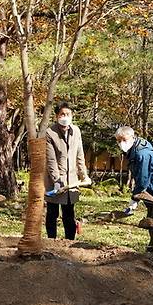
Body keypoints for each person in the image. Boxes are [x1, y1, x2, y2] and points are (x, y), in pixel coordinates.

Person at [115, 126, 153, 261]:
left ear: (132, 137)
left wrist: (134, 199)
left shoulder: (143, 154)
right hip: (151, 190)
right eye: (118, 141)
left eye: (123, 139)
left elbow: (143, 179)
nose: (121, 143)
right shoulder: (133, 152)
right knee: (150, 220)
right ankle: (152, 250)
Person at [45, 102, 90, 240]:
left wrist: (84, 176)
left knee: (69, 213)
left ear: (72, 116)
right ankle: (51, 240)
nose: (65, 117)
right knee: (52, 213)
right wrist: (57, 181)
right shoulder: (50, 133)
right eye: (62, 114)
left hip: (71, 181)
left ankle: (69, 242)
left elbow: (79, 155)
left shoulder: (76, 131)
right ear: (56, 116)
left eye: (68, 114)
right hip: (55, 181)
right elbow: (51, 160)